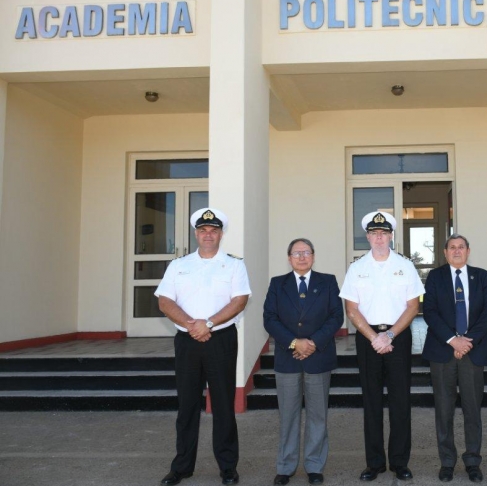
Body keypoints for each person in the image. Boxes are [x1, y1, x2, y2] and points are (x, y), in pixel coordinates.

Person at [155, 208, 251, 486]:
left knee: (223, 404)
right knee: (187, 405)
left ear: (221, 234)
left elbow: (239, 301)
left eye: (214, 230)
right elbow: (164, 301)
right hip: (187, 341)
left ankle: (228, 467)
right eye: (203, 230)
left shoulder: (234, 265)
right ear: (196, 233)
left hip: (220, 339)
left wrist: (207, 324)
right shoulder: (178, 265)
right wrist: (191, 324)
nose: (208, 235)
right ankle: (182, 467)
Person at [339, 211, 425, 482]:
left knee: (401, 402)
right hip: (367, 340)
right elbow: (350, 309)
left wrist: (389, 336)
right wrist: (374, 336)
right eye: (374, 233)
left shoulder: (405, 265)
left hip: (398, 337)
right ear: (367, 236)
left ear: (390, 236)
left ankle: (400, 462)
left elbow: (414, 306)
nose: (379, 237)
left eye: (384, 233)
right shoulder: (357, 268)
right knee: (371, 402)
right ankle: (374, 463)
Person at [263, 238, 344, 486]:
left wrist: (312, 343)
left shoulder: (327, 281)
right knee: (288, 415)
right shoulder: (278, 284)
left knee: (317, 415)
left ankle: (314, 465)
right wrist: (294, 343)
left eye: (306, 252)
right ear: (289, 258)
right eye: (296, 253)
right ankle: (286, 467)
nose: (301, 257)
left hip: (318, 357)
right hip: (288, 358)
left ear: (313, 256)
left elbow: (336, 317)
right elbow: (270, 318)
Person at [422, 234, 487, 483]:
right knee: (444, 410)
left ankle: (473, 460)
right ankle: (447, 462)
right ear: (444, 252)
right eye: (451, 247)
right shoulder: (434, 277)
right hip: (443, 351)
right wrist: (453, 340)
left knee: (472, 409)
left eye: (461, 247)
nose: (456, 251)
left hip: (473, 351)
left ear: (468, 251)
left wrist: (467, 341)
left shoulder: (482, 276)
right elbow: (429, 311)